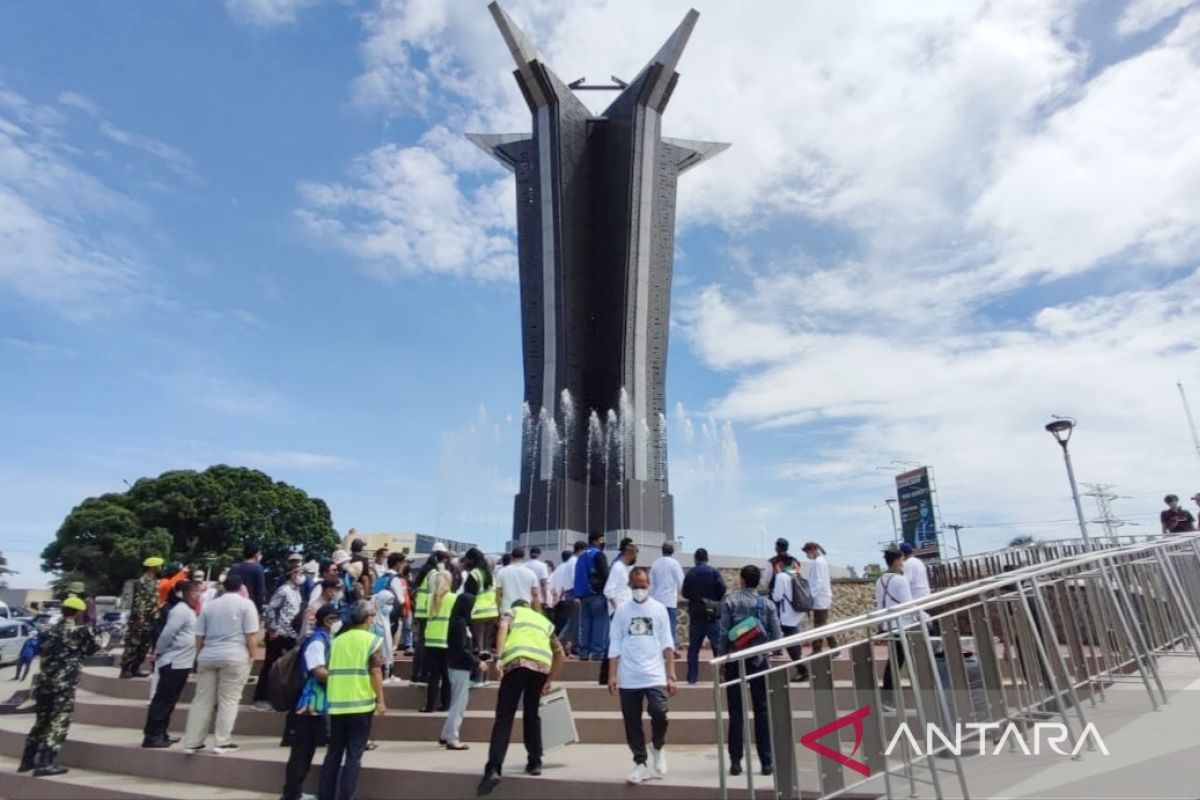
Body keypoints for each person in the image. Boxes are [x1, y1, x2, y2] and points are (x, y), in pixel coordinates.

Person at [476, 598, 566, 796]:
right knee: (532, 715)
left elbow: (502, 628)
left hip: (516, 663)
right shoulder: (544, 621)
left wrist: (498, 658)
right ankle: (535, 762)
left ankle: (493, 769)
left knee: (504, 718)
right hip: (541, 667)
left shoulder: (513, 612)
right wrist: (549, 680)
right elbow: (561, 655)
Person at [18, 596, 99, 776]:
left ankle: (27, 760)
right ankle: (45, 763)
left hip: (44, 683)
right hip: (63, 686)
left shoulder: (48, 631)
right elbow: (92, 649)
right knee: (59, 722)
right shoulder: (79, 631)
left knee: (41, 722)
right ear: (78, 613)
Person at [608, 567, 676, 784]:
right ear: (630, 585)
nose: (640, 589)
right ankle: (640, 762)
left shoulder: (659, 609)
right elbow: (615, 642)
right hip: (629, 675)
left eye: (643, 585)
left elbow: (667, 643)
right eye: (635, 586)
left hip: (654, 674)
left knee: (659, 713)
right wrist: (612, 674)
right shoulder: (622, 611)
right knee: (632, 721)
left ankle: (657, 746)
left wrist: (671, 674)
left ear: (649, 584)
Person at [181, 573, 258, 755]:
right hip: (235, 654)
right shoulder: (246, 605)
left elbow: (199, 635)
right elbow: (251, 634)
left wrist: (199, 654)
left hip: (208, 655)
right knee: (229, 700)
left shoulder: (210, 606)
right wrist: (252, 655)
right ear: (241, 587)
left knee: (201, 700)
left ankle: (192, 741)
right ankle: (222, 741)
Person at [318, 600, 387, 800]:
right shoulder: (372, 640)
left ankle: (325, 795)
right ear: (366, 619)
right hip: (360, 702)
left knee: (333, 754)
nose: (374, 618)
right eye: (372, 615)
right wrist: (380, 700)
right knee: (353, 756)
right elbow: (376, 672)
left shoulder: (337, 640)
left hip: (337, 702)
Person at [721, 565, 781, 778]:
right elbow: (777, 636)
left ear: (742, 580)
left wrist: (722, 659)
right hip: (759, 662)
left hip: (735, 661)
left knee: (736, 712)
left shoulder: (730, 602)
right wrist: (766, 650)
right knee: (762, 711)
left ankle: (736, 761)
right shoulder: (767, 605)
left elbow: (723, 634)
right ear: (758, 582)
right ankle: (766, 762)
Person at [282, 604, 339, 800]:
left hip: (317, 703)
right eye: (336, 619)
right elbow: (318, 671)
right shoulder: (317, 641)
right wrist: (341, 678)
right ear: (327, 621)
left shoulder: (323, 639)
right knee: (302, 751)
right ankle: (292, 793)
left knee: (306, 749)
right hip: (310, 704)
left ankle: (294, 792)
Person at [143, 580, 201, 748]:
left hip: (182, 662)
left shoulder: (188, 611)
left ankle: (162, 733)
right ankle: (152, 736)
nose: (199, 595)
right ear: (187, 593)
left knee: (170, 701)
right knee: (162, 700)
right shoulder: (180, 611)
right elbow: (167, 634)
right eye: (196, 592)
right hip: (173, 661)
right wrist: (158, 652)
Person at [254, 563, 306, 710]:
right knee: (270, 665)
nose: (300, 575)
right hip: (278, 635)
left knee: (287, 668)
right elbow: (271, 609)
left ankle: (279, 698)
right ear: (290, 574)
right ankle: (260, 697)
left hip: (291, 635)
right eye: (297, 572)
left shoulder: (297, 591)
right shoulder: (284, 590)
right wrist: (272, 629)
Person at [876, 549, 919, 709]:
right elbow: (909, 605)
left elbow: (880, 605)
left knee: (895, 661)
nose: (903, 564)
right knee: (903, 660)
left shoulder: (880, 580)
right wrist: (924, 617)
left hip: (889, 626)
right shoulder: (901, 581)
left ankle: (887, 697)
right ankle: (888, 698)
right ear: (896, 561)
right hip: (904, 625)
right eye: (902, 560)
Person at [681, 548, 726, 684]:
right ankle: (720, 676)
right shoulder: (713, 572)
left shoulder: (691, 573)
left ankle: (692, 677)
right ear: (707, 558)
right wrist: (713, 599)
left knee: (694, 648)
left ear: (695, 559)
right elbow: (722, 589)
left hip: (696, 613)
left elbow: (685, 592)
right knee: (717, 647)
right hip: (712, 614)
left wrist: (696, 599)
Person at [442, 592, 479, 751]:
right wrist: (477, 661)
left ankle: (446, 734)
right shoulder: (460, 624)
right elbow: (463, 649)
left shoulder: (456, 622)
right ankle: (452, 737)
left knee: (457, 701)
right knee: (459, 703)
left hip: (455, 665)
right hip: (460, 666)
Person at [768, 539, 809, 682]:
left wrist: (775, 586)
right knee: (793, 640)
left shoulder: (781, 576)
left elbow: (777, 596)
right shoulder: (795, 573)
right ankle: (801, 667)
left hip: (786, 613)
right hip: (797, 610)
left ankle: (802, 669)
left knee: (790, 643)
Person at [411, 545, 449, 686]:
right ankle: (422, 674)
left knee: (421, 644)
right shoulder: (433, 573)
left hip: (421, 611)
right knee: (424, 645)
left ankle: (417, 674)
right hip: (428, 612)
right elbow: (437, 593)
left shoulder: (424, 570)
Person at [121, 556, 163, 678]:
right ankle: (126, 668)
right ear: (152, 567)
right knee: (133, 643)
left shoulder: (155, 581)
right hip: (140, 618)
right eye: (158, 565)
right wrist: (140, 616)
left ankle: (135, 668)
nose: (160, 568)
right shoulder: (142, 581)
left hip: (150, 617)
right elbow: (139, 600)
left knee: (144, 645)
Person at [421, 571, 454, 713]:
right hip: (447, 640)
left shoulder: (428, 598)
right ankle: (446, 704)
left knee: (433, 676)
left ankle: (430, 706)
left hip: (431, 641)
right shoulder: (454, 598)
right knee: (447, 675)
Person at [574, 531, 610, 661]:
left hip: (584, 596)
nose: (603, 543)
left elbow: (577, 577)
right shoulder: (598, 554)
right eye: (601, 540)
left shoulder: (581, 556)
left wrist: (577, 594)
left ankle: (584, 652)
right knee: (600, 624)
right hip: (598, 595)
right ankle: (597, 653)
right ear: (595, 541)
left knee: (585, 625)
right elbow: (605, 574)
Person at [463, 548, 498, 675]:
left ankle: (477, 676)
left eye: (466, 559)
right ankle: (486, 675)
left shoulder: (474, 573)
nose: (465, 561)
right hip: (492, 611)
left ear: (471, 559)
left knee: (478, 646)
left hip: (479, 611)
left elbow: (468, 595)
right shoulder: (490, 573)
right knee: (486, 648)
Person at [802, 542, 838, 655]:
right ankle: (830, 648)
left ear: (812, 550)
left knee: (820, 625)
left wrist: (810, 595)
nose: (807, 555)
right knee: (821, 624)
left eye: (807, 552)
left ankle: (822, 649)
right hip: (820, 597)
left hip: (820, 598)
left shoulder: (818, 562)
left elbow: (819, 582)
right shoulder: (819, 562)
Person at [648, 541, 684, 652]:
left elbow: (651, 584)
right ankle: (671, 648)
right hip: (669, 600)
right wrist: (683, 593)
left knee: (658, 625)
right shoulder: (674, 564)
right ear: (672, 551)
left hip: (657, 600)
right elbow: (681, 581)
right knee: (670, 625)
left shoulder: (655, 564)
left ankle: (657, 647)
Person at [551, 542, 584, 652]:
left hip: (566, 594)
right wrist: (578, 594)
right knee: (577, 622)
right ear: (580, 550)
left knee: (571, 622)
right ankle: (576, 646)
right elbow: (575, 579)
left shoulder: (565, 565)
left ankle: (559, 642)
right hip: (573, 593)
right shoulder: (575, 562)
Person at [495, 547, 540, 615]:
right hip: (525, 609)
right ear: (523, 557)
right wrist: (538, 611)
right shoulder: (531, 573)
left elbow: (498, 594)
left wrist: (498, 609)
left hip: (507, 609)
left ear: (511, 557)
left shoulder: (502, 572)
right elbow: (535, 594)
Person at [228, 543, 268, 615]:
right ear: (256, 554)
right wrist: (259, 611)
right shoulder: (258, 569)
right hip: (249, 607)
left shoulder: (234, 568)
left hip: (232, 605)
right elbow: (260, 593)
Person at [371, 590, 399, 683]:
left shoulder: (386, 618)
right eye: (388, 603)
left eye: (391, 604)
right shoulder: (374, 620)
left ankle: (389, 674)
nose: (390, 607)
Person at [605, 542, 638, 614]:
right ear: (628, 554)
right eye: (634, 555)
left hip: (628, 608)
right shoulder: (617, 567)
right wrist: (617, 608)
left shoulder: (627, 568)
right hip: (620, 610)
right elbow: (608, 590)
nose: (635, 558)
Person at [526, 546, 551, 615]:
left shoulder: (524, 565)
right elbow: (543, 584)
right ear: (539, 554)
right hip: (538, 599)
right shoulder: (542, 565)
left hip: (525, 598)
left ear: (529, 554)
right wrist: (546, 600)